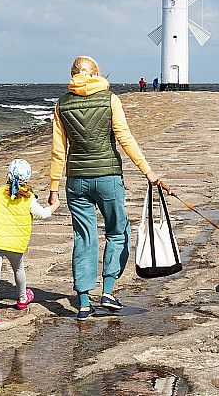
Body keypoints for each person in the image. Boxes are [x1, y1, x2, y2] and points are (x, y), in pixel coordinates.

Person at [49, 56, 160, 320]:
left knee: (84, 237)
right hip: (108, 177)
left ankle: (84, 303)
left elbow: (58, 151)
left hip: (76, 180)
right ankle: (108, 291)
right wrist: (147, 170)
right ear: (96, 74)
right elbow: (124, 136)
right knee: (118, 230)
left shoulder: (61, 104)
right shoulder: (110, 99)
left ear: (73, 74)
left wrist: (53, 187)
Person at [0, 159, 61, 326]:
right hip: (15, 243)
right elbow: (42, 214)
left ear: (8, 175)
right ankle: (22, 298)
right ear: (27, 179)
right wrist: (56, 204)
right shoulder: (28, 198)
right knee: (19, 270)